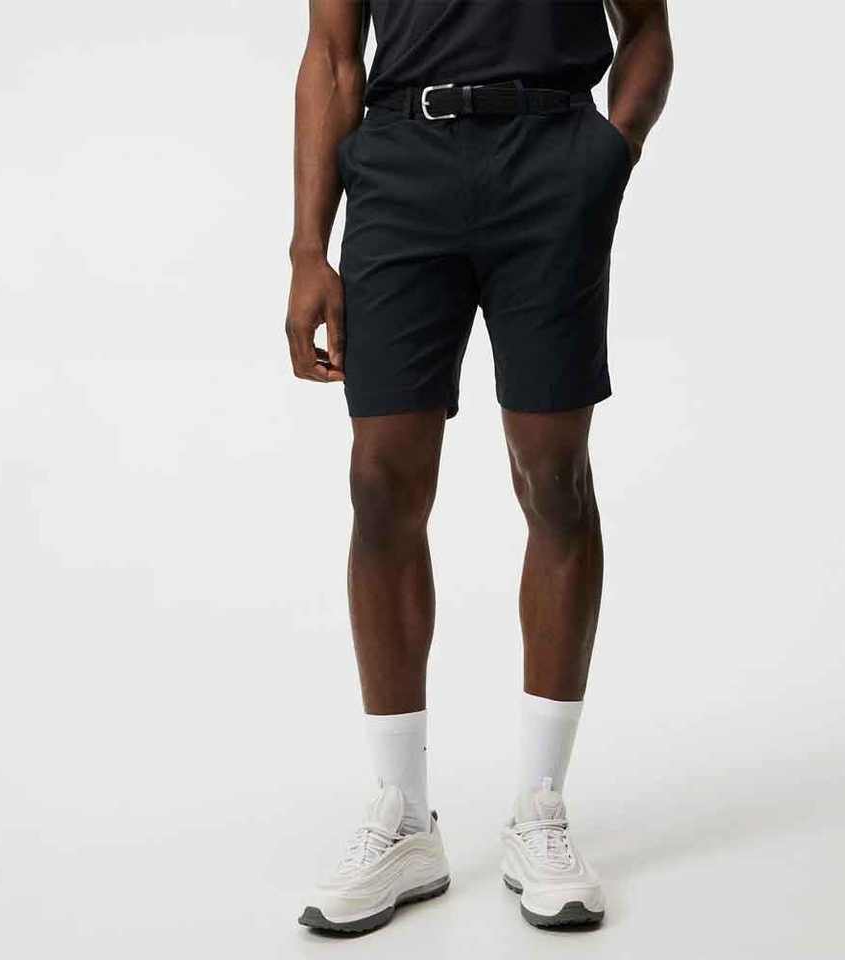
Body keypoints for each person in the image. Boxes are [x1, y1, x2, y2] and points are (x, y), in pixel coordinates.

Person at [287, 0, 673, 934]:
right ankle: (402, 817)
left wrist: (609, 153)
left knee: (553, 476)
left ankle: (541, 806)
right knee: (380, 480)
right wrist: (307, 246)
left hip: (552, 160)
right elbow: (333, 56)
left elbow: (648, 31)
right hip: (400, 166)